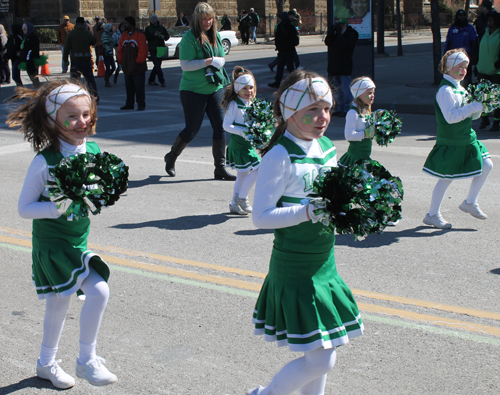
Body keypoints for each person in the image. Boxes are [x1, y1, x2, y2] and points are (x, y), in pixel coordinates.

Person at [247, 69, 363, 395]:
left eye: (326, 108)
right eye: (312, 109)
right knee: (322, 359)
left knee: (323, 346)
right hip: (296, 266)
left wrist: (355, 205)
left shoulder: (325, 146)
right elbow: (261, 217)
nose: (322, 116)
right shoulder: (280, 155)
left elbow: (336, 195)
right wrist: (307, 211)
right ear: (290, 111)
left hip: (324, 262)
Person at [8, 80, 118, 389]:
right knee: (97, 291)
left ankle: (46, 364)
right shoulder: (45, 161)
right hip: (53, 244)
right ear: (52, 120)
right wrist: (57, 207)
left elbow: (93, 194)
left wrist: (99, 194)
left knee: (59, 306)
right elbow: (24, 208)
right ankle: (86, 360)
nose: (81, 121)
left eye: (86, 114)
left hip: (77, 240)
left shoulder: (94, 149)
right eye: (71, 116)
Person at [163, 2, 235, 181]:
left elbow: (220, 56)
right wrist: (209, 61)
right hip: (192, 90)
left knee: (220, 127)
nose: (208, 22)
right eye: (204, 19)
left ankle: (220, 168)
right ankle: (171, 157)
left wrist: (220, 61)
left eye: (210, 18)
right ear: (197, 19)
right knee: (192, 129)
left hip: (214, 88)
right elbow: (185, 65)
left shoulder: (216, 35)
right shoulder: (189, 38)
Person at [422, 50, 493, 229]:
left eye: (465, 67)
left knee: (487, 165)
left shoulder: (461, 89)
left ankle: (470, 202)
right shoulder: (445, 91)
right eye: (459, 67)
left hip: (467, 138)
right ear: (447, 68)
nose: (463, 71)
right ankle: (432, 214)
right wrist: (472, 107)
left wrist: (480, 107)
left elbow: (472, 116)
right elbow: (451, 117)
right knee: (446, 178)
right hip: (452, 140)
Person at [222, 66, 261, 214]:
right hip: (239, 145)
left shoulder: (251, 103)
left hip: (248, 144)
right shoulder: (234, 104)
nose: (249, 91)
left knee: (242, 175)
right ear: (237, 89)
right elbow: (226, 125)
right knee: (259, 168)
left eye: (251, 87)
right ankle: (242, 198)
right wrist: (242, 131)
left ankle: (234, 204)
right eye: (244, 88)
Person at [338, 77, 375, 167]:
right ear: (359, 94)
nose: (372, 95)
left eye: (373, 92)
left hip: (364, 157)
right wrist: (365, 134)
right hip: (355, 159)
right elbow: (349, 135)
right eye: (369, 93)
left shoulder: (366, 111)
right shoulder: (353, 113)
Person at [324, 18, 358, 117]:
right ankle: (340, 108)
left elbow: (345, 45)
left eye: (342, 25)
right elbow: (328, 42)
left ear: (346, 25)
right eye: (339, 25)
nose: (340, 27)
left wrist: (339, 34)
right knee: (338, 89)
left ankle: (348, 109)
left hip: (345, 65)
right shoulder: (336, 34)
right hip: (335, 65)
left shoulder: (351, 34)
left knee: (346, 88)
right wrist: (331, 33)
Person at [63, 17, 99, 104]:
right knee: (90, 80)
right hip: (86, 60)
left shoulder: (71, 34)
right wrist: (89, 30)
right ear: (83, 23)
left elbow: (66, 48)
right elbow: (94, 41)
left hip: (76, 60)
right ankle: (95, 98)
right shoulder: (86, 33)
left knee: (75, 81)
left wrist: (65, 60)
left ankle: (74, 98)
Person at [117, 16, 148, 111]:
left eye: (126, 23)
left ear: (131, 23)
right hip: (127, 67)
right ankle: (129, 104)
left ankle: (141, 104)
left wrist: (139, 61)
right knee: (129, 88)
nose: (124, 25)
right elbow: (120, 50)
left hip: (138, 67)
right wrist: (121, 61)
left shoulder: (139, 34)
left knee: (139, 88)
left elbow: (143, 49)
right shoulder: (124, 35)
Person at [476, 11, 500, 131]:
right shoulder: (484, 33)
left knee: (495, 98)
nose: (489, 20)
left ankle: (496, 122)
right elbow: (477, 48)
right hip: (483, 69)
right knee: (483, 96)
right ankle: (484, 119)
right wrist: (476, 64)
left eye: (492, 19)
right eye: (488, 18)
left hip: (496, 71)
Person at [443, 9, 477, 87]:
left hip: (466, 55)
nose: (462, 17)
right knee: (454, 73)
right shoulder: (452, 28)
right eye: (460, 15)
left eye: (464, 15)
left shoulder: (470, 28)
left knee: (466, 75)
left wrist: (473, 56)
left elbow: (474, 42)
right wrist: (445, 54)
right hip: (454, 55)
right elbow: (448, 42)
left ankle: (466, 90)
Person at [268, 12, 298, 89]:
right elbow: (278, 38)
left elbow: (293, 39)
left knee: (289, 67)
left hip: (288, 50)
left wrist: (284, 45)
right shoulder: (281, 26)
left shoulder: (289, 26)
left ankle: (294, 82)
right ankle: (277, 82)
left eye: (280, 18)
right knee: (280, 67)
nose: (279, 19)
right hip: (282, 50)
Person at [145, 14, 169, 87]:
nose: (153, 20)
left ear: (157, 20)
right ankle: (162, 81)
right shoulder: (148, 28)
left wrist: (162, 36)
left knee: (157, 65)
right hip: (152, 49)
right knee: (157, 65)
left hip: (160, 48)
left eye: (154, 19)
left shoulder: (161, 28)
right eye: (151, 19)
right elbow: (146, 38)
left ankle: (151, 80)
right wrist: (154, 35)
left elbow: (167, 36)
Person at [19, 23, 41, 89]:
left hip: (33, 60)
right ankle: (37, 89)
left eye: (25, 28)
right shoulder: (26, 37)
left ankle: (39, 90)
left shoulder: (33, 37)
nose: (24, 29)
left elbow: (35, 49)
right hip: (27, 60)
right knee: (31, 76)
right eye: (23, 28)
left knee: (34, 76)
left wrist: (30, 55)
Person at [100, 23, 116, 87]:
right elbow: (105, 44)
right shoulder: (105, 35)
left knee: (113, 67)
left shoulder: (110, 35)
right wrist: (109, 51)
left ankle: (106, 78)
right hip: (107, 54)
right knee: (108, 68)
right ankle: (107, 81)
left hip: (110, 53)